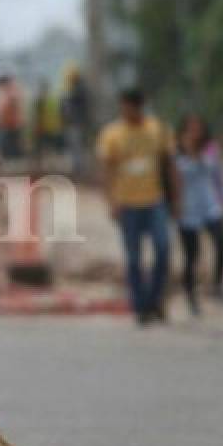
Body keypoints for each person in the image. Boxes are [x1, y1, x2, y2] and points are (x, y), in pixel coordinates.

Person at [96, 88, 178, 324]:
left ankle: (155, 299)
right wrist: (111, 201)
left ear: (140, 106)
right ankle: (141, 307)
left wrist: (176, 198)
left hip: (155, 200)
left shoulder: (158, 130)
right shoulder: (112, 134)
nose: (127, 112)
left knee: (163, 249)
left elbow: (169, 165)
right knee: (133, 258)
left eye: (130, 107)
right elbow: (106, 171)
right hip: (127, 203)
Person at [174, 113, 223, 314]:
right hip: (187, 209)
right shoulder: (176, 152)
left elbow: (219, 175)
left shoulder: (210, 149)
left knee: (222, 242)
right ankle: (191, 295)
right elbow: (174, 180)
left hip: (209, 205)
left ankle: (217, 284)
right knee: (192, 255)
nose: (194, 132)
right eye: (191, 128)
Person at [61, 63, 91, 177]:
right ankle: (76, 169)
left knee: (78, 147)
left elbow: (77, 104)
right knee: (74, 147)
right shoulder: (72, 88)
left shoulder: (80, 88)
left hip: (77, 123)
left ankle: (80, 170)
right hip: (72, 123)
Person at [32, 78, 64, 165]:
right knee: (49, 149)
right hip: (52, 128)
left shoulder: (40, 100)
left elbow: (37, 115)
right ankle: (50, 165)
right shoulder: (53, 99)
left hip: (44, 128)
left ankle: (43, 166)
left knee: (42, 149)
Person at [0, 75, 25, 160]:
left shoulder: (11, 92)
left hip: (11, 129)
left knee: (12, 155)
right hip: (7, 128)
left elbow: (11, 107)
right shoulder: (7, 92)